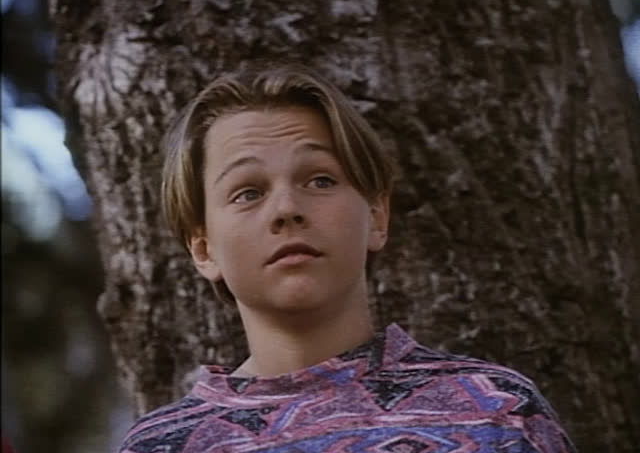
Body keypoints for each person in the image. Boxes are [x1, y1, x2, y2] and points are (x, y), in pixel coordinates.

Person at [117, 63, 576, 453]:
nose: (286, 209)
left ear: (376, 216)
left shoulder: (497, 411)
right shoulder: (162, 445)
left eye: (319, 180)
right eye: (248, 192)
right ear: (204, 249)